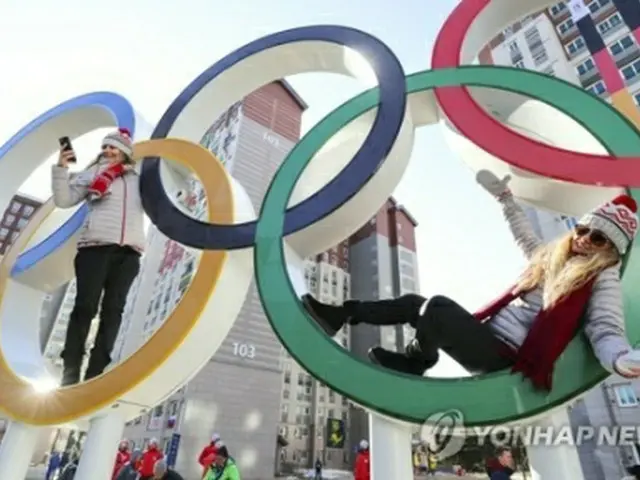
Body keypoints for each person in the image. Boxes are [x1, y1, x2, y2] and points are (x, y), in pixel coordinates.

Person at [301, 170, 640, 391]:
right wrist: (506, 200)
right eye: (582, 230)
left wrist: (622, 359)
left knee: (436, 309)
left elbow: (605, 327)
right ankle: (340, 315)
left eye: (597, 239)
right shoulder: (554, 257)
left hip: (509, 356)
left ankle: (416, 362)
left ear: (611, 249)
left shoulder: (602, 277)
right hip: (488, 336)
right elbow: (525, 237)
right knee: (413, 304)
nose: (584, 240)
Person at [52, 127, 145, 386]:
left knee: (113, 312)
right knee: (85, 307)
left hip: (129, 254)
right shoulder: (92, 174)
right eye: (104, 147)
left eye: (113, 147)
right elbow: (64, 199)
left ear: (125, 152)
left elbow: (160, 200)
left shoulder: (139, 180)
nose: (107, 151)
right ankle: (70, 371)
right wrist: (61, 169)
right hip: (94, 248)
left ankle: (96, 373)